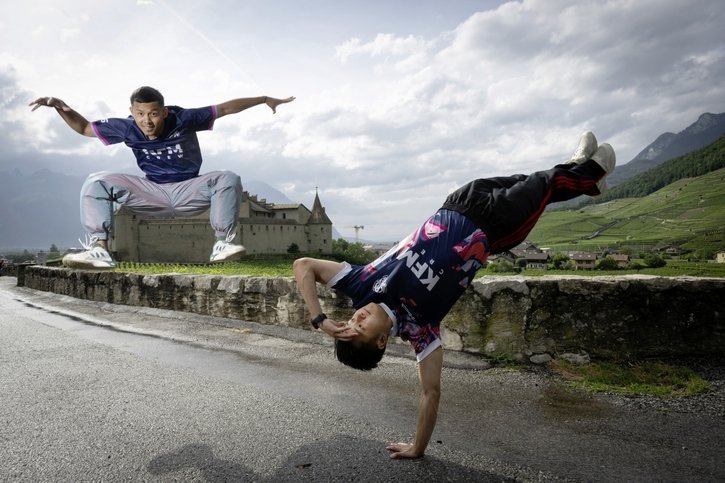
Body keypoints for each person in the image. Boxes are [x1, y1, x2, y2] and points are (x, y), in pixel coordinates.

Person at [293, 131, 615, 459]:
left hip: (458, 201)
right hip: (494, 227)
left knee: (529, 180)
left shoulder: (360, 285)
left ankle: (578, 169)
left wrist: (321, 320)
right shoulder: (420, 328)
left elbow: (303, 265)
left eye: (350, 321)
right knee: (544, 184)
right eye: (360, 327)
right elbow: (430, 392)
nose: (357, 317)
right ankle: (592, 172)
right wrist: (417, 447)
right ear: (380, 341)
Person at [29, 87, 295, 268]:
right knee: (96, 180)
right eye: (141, 114)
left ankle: (222, 243)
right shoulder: (126, 128)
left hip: (189, 190)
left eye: (154, 114)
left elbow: (224, 109)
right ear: (132, 113)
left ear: (164, 112)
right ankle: (100, 249)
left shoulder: (184, 118)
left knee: (228, 177)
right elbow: (85, 128)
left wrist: (263, 99)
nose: (148, 122)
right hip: (152, 192)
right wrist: (61, 109)